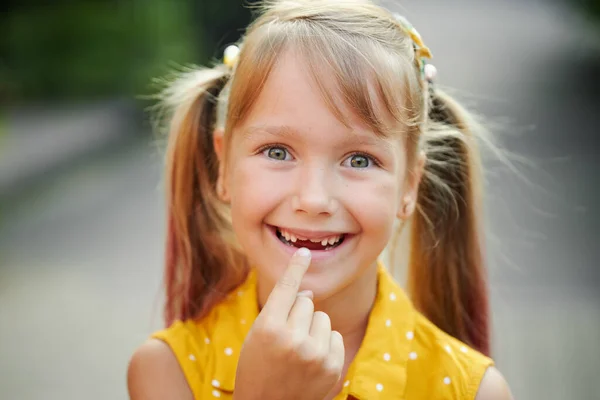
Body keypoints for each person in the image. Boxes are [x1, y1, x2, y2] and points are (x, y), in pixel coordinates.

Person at [128, 1, 514, 399]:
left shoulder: (474, 391)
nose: (313, 200)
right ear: (223, 166)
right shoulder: (168, 371)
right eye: (277, 151)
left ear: (409, 185)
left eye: (359, 159)